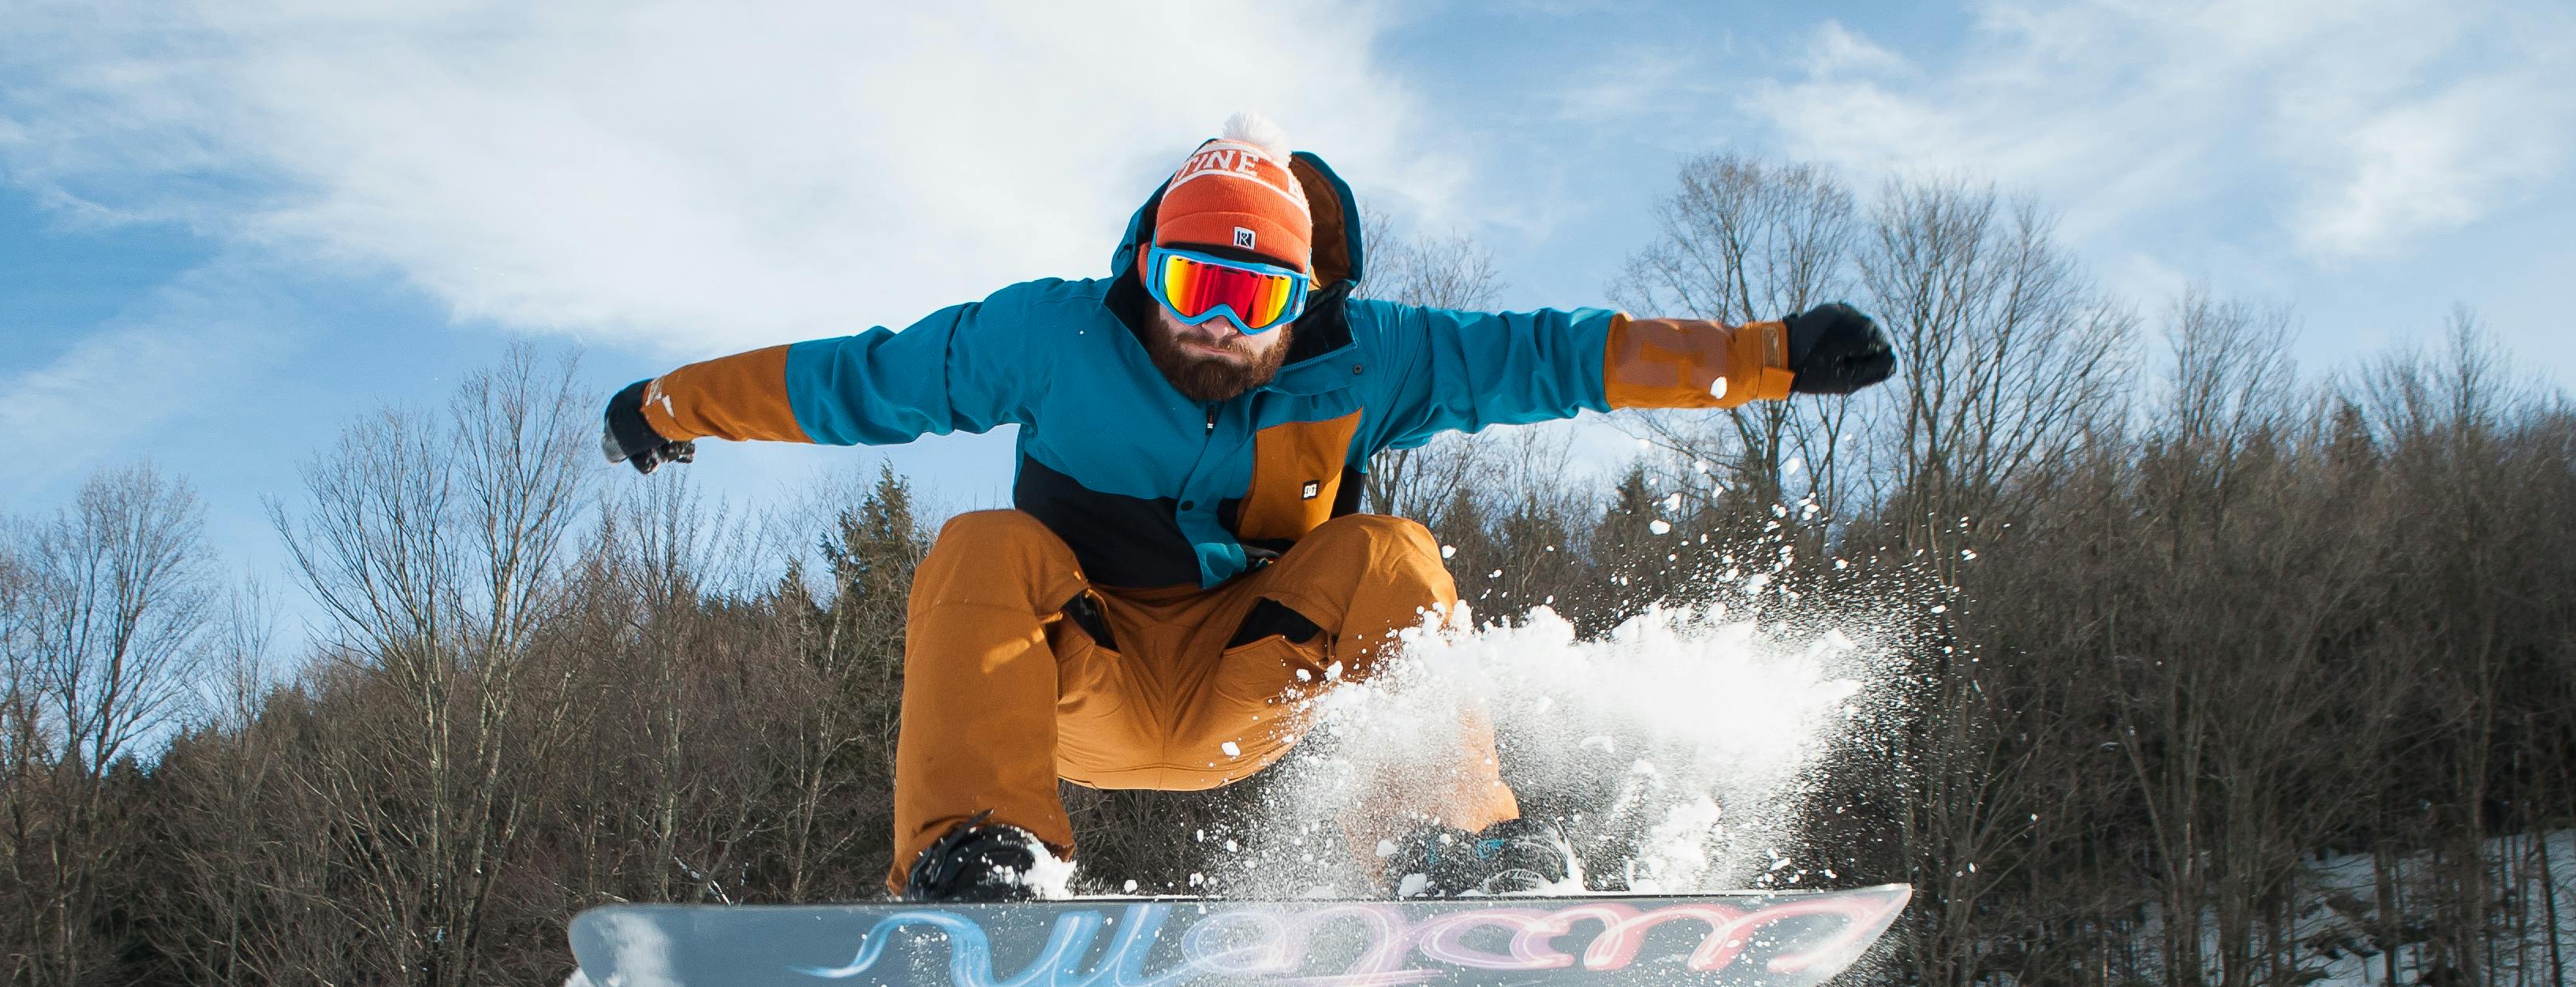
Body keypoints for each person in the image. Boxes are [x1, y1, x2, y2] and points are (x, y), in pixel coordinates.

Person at [601, 117, 1895, 902]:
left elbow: (1555, 356)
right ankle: (979, 854)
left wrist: (1766, 356)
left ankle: (1445, 845)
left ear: (1305, 301)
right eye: (1183, 284)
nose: (1210, 330)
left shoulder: (1375, 359)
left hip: (1249, 687)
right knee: (979, 545)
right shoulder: (1050, 336)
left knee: (1388, 550)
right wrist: (675, 404)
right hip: (1081, 690)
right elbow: (857, 381)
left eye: (1253, 303)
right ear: (1141, 269)